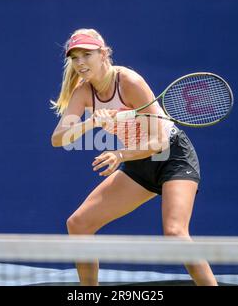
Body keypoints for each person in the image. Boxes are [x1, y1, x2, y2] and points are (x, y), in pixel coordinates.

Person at [51, 28, 218, 286]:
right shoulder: (83, 92)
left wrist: (119, 154)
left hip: (173, 158)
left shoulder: (129, 82)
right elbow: (58, 139)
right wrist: (91, 122)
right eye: (75, 57)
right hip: (138, 162)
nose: (80, 63)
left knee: (175, 233)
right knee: (79, 224)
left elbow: (159, 141)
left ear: (103, 54)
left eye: (87, 54)